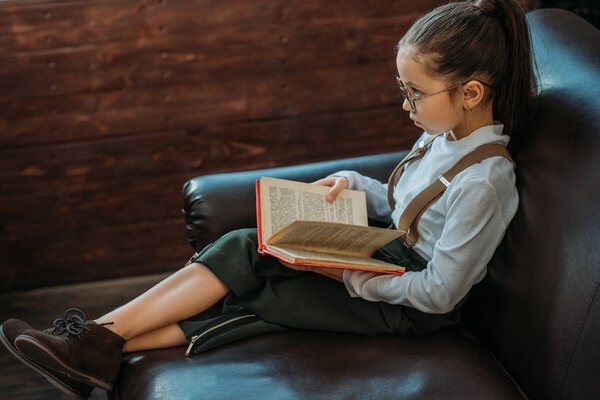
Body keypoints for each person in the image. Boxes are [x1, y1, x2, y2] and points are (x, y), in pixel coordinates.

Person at [0, 0, 536, 398]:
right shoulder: (442, 137)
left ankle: (91, 345)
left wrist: (347, 275)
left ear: (470, 93)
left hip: (407, 308)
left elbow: (440, 293)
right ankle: (91, 344)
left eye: (414, 93)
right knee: (246, 252)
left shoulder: (485, 181)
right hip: (387, 261)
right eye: (402, 89)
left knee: (249, 285)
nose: (405, 105)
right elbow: (406, 203)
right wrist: (352, 182)